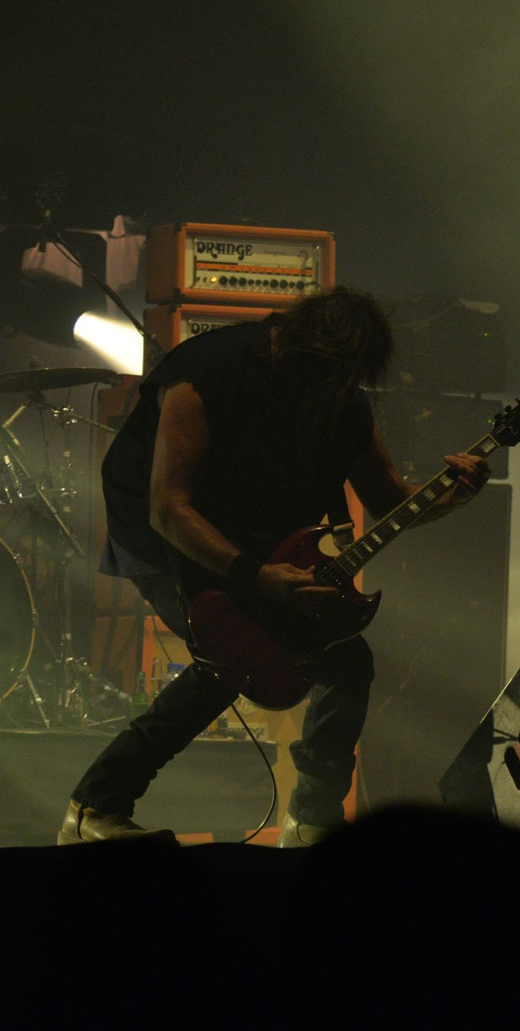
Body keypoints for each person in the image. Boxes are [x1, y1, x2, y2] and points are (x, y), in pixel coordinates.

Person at [60, 287, 490, 846]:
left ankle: (310, 819)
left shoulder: (341, 398)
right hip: (164, 533)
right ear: (294, 349)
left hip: (260, 540)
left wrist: (456, 496)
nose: (334, 393)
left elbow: (389, 500)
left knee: (345, 659)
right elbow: (169, 507)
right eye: (328, 377)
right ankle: (94, 807)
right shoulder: (208, 371)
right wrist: (253, 577)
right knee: (226, 659)